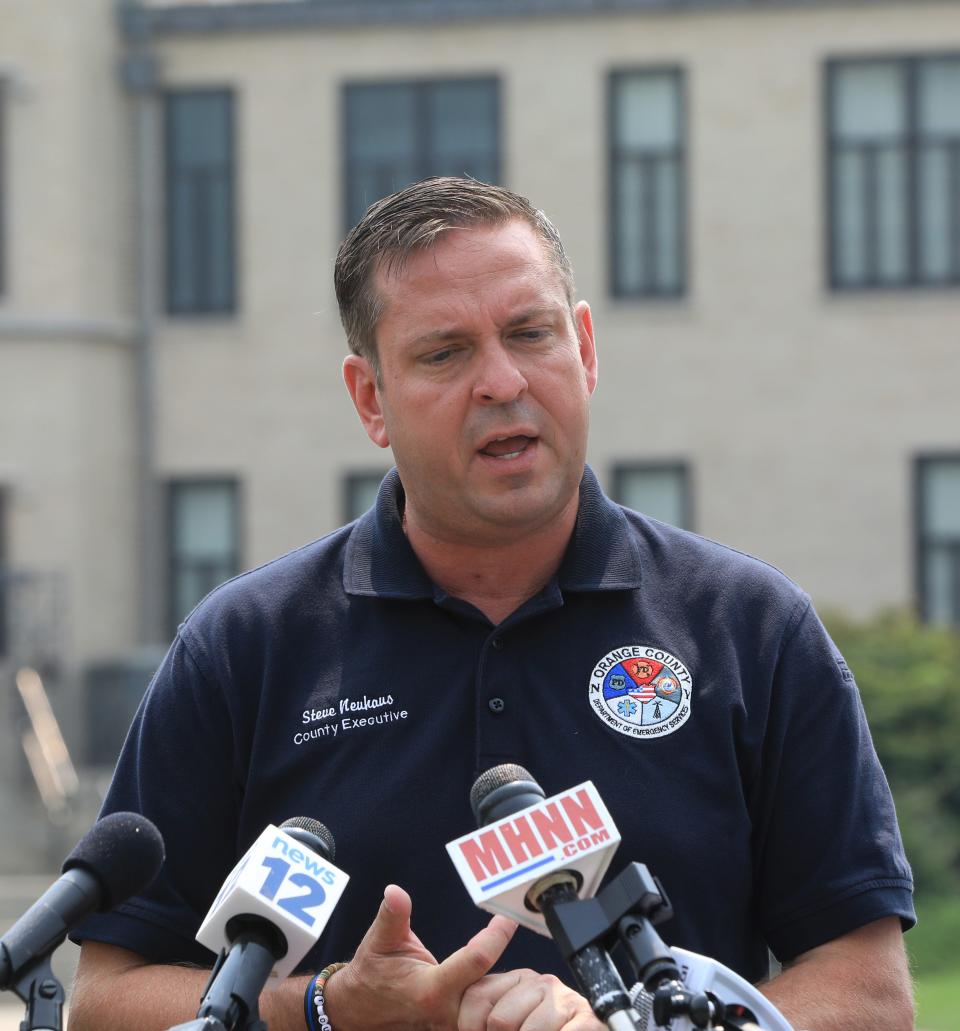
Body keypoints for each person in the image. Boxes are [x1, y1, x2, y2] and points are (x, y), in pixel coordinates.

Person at [69, 177, 915, 1031]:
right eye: (444, 353)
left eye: (529, 332)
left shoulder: (751, 629)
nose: (502, 380)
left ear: (583, 348)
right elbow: (105, 1000)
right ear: (371, 399)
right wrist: (325, 1010)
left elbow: (868, 991)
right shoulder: (244, 646)